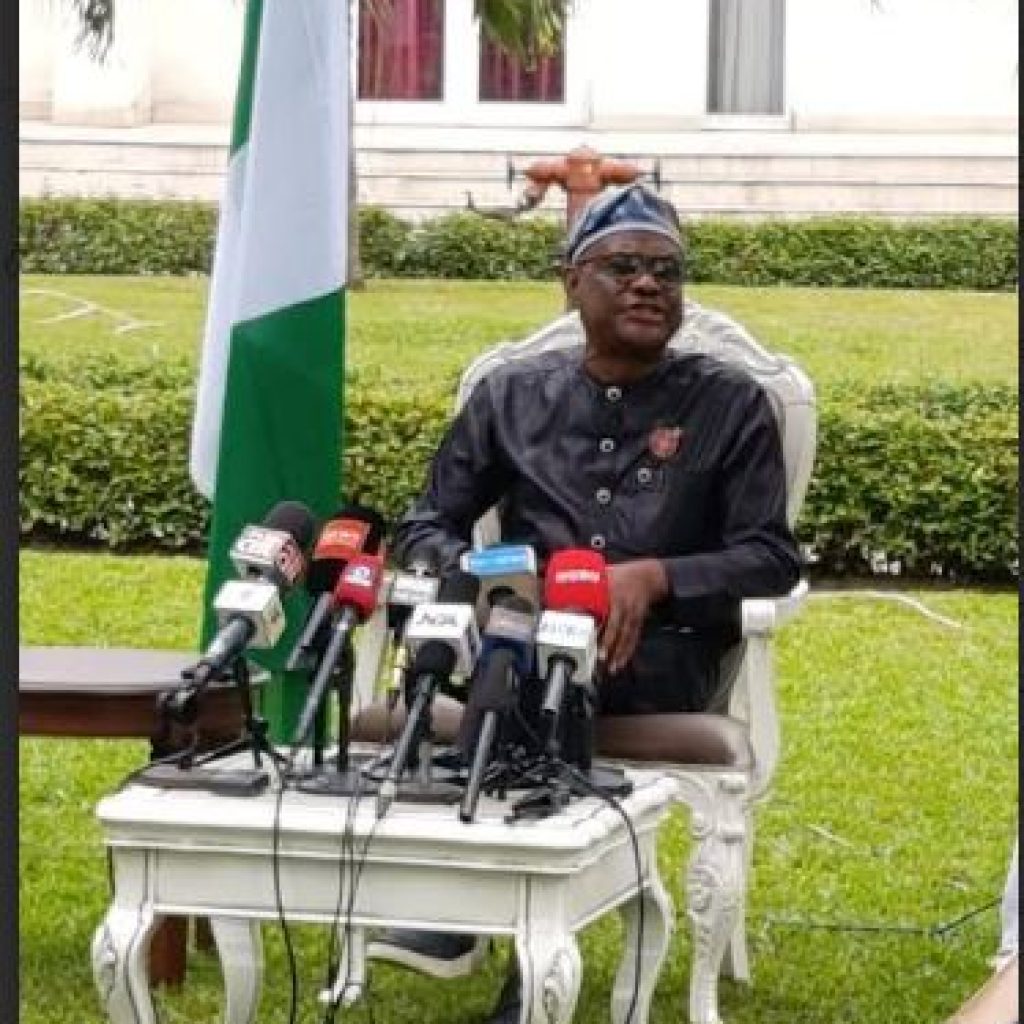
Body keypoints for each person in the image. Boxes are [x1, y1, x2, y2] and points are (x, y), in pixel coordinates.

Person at [369, 182, 802, 1024]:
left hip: (659, 655)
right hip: (517, 639)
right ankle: (505, 924)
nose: (648, 284)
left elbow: (771, 558)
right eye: (623, 267)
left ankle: (487, 930)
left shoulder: (729, 404)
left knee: (538, 669)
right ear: (571, 283)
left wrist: (655, 577)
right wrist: (487, 578)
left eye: (666, 272)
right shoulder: (511, 397)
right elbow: (424, 526)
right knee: (527, 653)